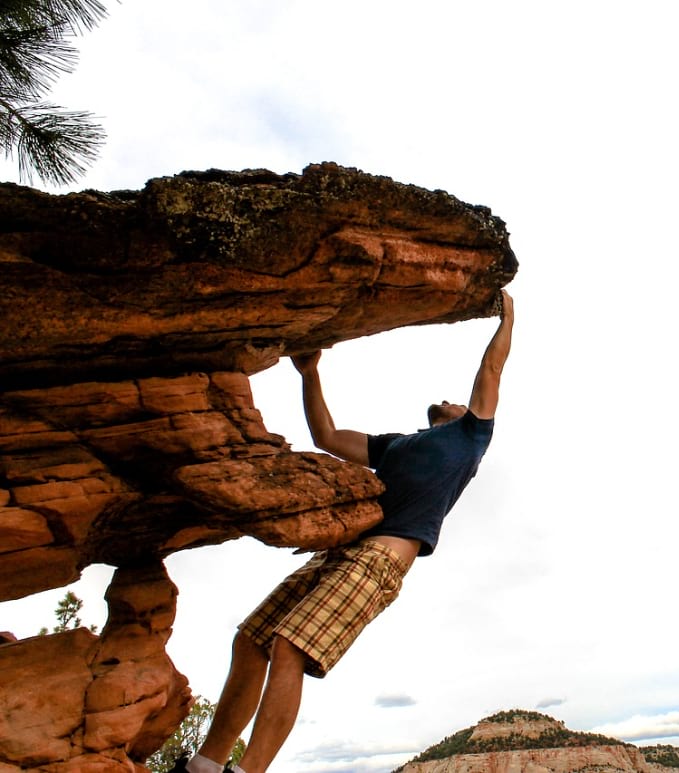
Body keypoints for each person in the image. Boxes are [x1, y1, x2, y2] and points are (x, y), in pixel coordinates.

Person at [172, 291, 514, 773]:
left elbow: (491, 372)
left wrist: (508, 317)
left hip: (380, 561)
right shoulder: (397, 444)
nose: (452, 399)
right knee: (252, 639)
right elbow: (327, 438)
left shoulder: (470, 438)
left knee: (290, 643)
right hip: (335, 554)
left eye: (460, 402)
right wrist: (309, 373)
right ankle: (203, 767)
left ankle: (247, 771)